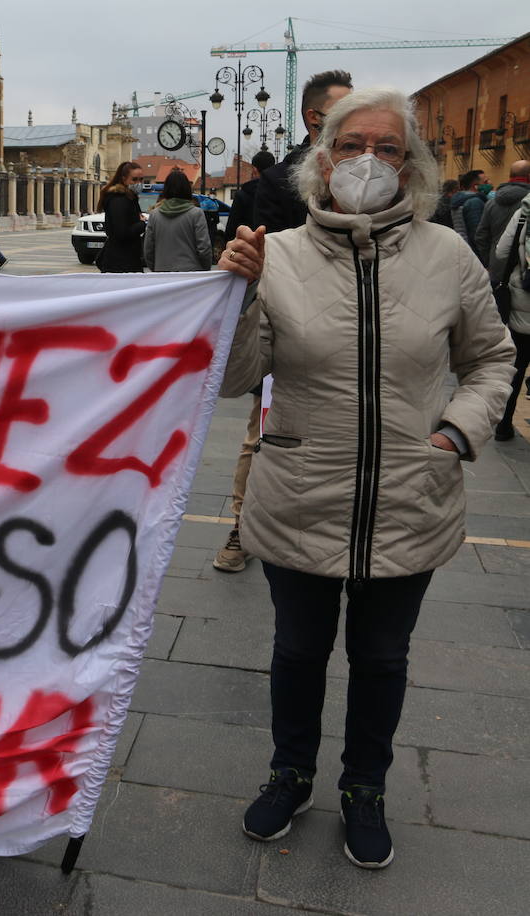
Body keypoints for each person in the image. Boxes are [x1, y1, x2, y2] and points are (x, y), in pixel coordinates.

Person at [217, 88, 514, 870]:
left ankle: (364, 785)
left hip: (413, 498)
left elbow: (491, 360)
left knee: (383, 658)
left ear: (411, 166)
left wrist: (457, 433)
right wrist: (237, 297)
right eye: (352, 146)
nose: (368, 161)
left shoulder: (449, 256)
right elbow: (234, 378)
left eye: (388, 148)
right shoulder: (275, 253)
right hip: (300, 494)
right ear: (323, 160)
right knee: (297, 651)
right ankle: (290, 772)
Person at [216, 71, 353, 574]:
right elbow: (253, 258)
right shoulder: (277, 182)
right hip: (290, 332)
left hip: (361, 337)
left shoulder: (379, 179)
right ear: (315, 118)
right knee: (263, 432)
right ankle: (241, 526)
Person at [255, 70, 354, 234]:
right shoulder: (277, 180)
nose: (352, 117)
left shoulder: (364, 165)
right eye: (343, 110)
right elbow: (271, 248)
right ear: (314, 117)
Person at [492, 192, 530, 440]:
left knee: (517, 367)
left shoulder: (524, 212)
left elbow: (502, 252)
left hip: (524, 299)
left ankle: (504, 425)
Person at [144, 170, 212, 272]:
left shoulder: (154, 215)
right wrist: (204, 269)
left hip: (162, 272)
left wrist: (155, 268)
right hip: (191, 272)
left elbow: (148, 249)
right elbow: (204, 248)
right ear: (187, 189)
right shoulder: (196, 214)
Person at [475, 160, 530, 270]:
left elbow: (481, 236)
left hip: (496, 267)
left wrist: (490, 260)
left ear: (510, 175)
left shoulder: (491, 202)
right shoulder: (528, 202)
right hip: (521, 271)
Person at [96, 161, 145, 273]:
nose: (138, 183)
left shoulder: (129, 197)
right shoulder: (119, 200)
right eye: (134, 179)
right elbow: (121, 232)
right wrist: (141, 224)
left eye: (141, 179)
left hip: (126, 259)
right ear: (124, 179)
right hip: (120, 262)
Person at [224, 150, 277, 243]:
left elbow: (231, 229)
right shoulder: (278, 193)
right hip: (273, 247)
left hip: (247, 248)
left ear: (254, 169)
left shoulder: (243, 195)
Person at [450, 169, 488, 254]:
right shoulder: (474, 202)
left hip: (461, 246)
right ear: (475, 186)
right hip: (472, 251)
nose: (490, 184)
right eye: (485, 182)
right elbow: (476, 233)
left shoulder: (458, 199)